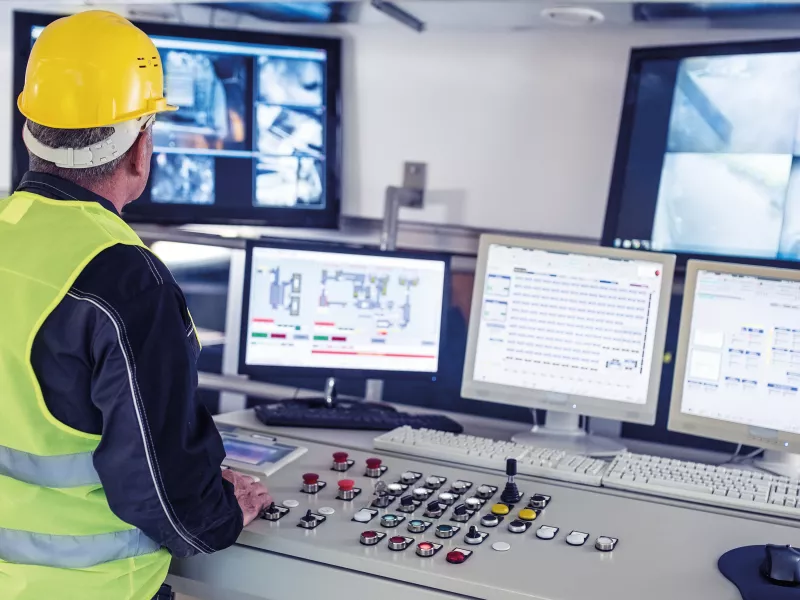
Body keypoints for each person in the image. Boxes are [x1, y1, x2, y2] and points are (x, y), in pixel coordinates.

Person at [0, 11, 271, 600]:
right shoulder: (124, 281)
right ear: (141, 146)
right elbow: (165, 498)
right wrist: (222, 510)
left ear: (32, 129)